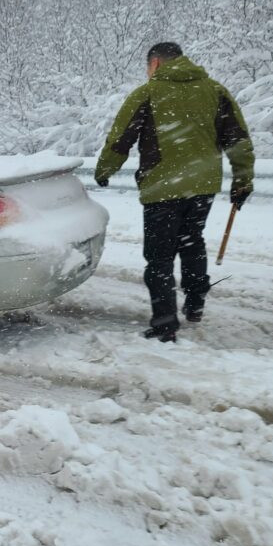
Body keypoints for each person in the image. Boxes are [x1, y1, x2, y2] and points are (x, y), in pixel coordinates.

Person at [94, 42, 254, 342]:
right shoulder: (215, 90)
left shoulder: (148, 93)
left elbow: (121, 138)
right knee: (192, 241)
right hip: (202, 187)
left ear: (155, 63)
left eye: (148, 66)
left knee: (159, 257)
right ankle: (195, 304)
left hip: (162, 188)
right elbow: (238, 139)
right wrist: (243, 181)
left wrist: (105, 170)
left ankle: (165, 324)